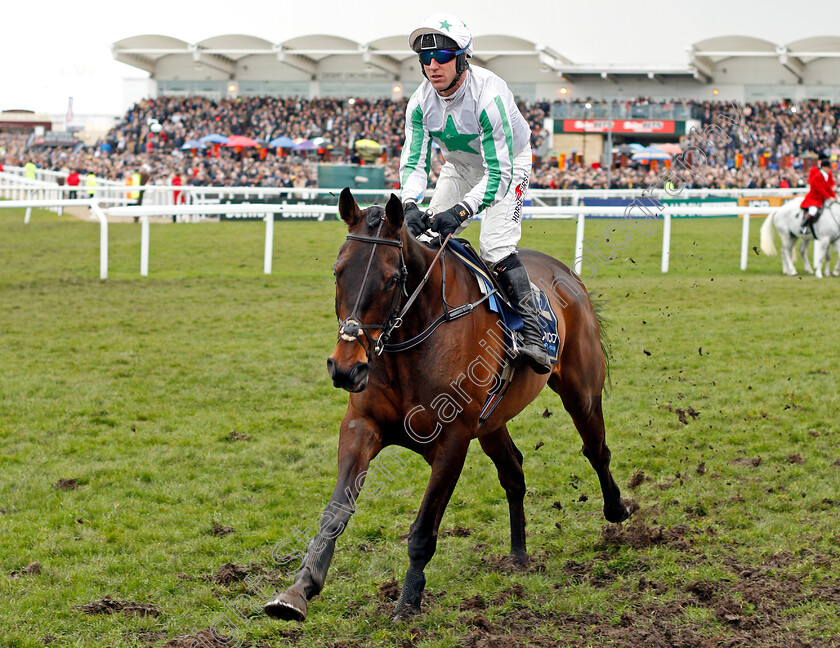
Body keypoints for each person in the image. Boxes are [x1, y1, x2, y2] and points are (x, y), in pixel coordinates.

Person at [399, 13, 552, 374]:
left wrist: (462, 212)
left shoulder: (489, 97)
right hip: (460, 167)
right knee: (424, 237)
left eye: (442, 57)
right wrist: (409, 204)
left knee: (495, 247)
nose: (433, 66)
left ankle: (533, 330)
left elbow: (498, 174)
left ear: (462, 58)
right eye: (425, 58)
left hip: (507, 166)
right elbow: (414, 164)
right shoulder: (419, 104)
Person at [801, 158, 836, 235]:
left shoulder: (825, 176)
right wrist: (829, 197)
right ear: (823, 167)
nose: (830, 170)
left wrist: (834, 196)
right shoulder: (817, 176)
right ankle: (804, 226)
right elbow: (820, 189)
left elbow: (828, 188)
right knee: (813, 211)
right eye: (828, 168)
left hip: (820, 199)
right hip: (813, 198)